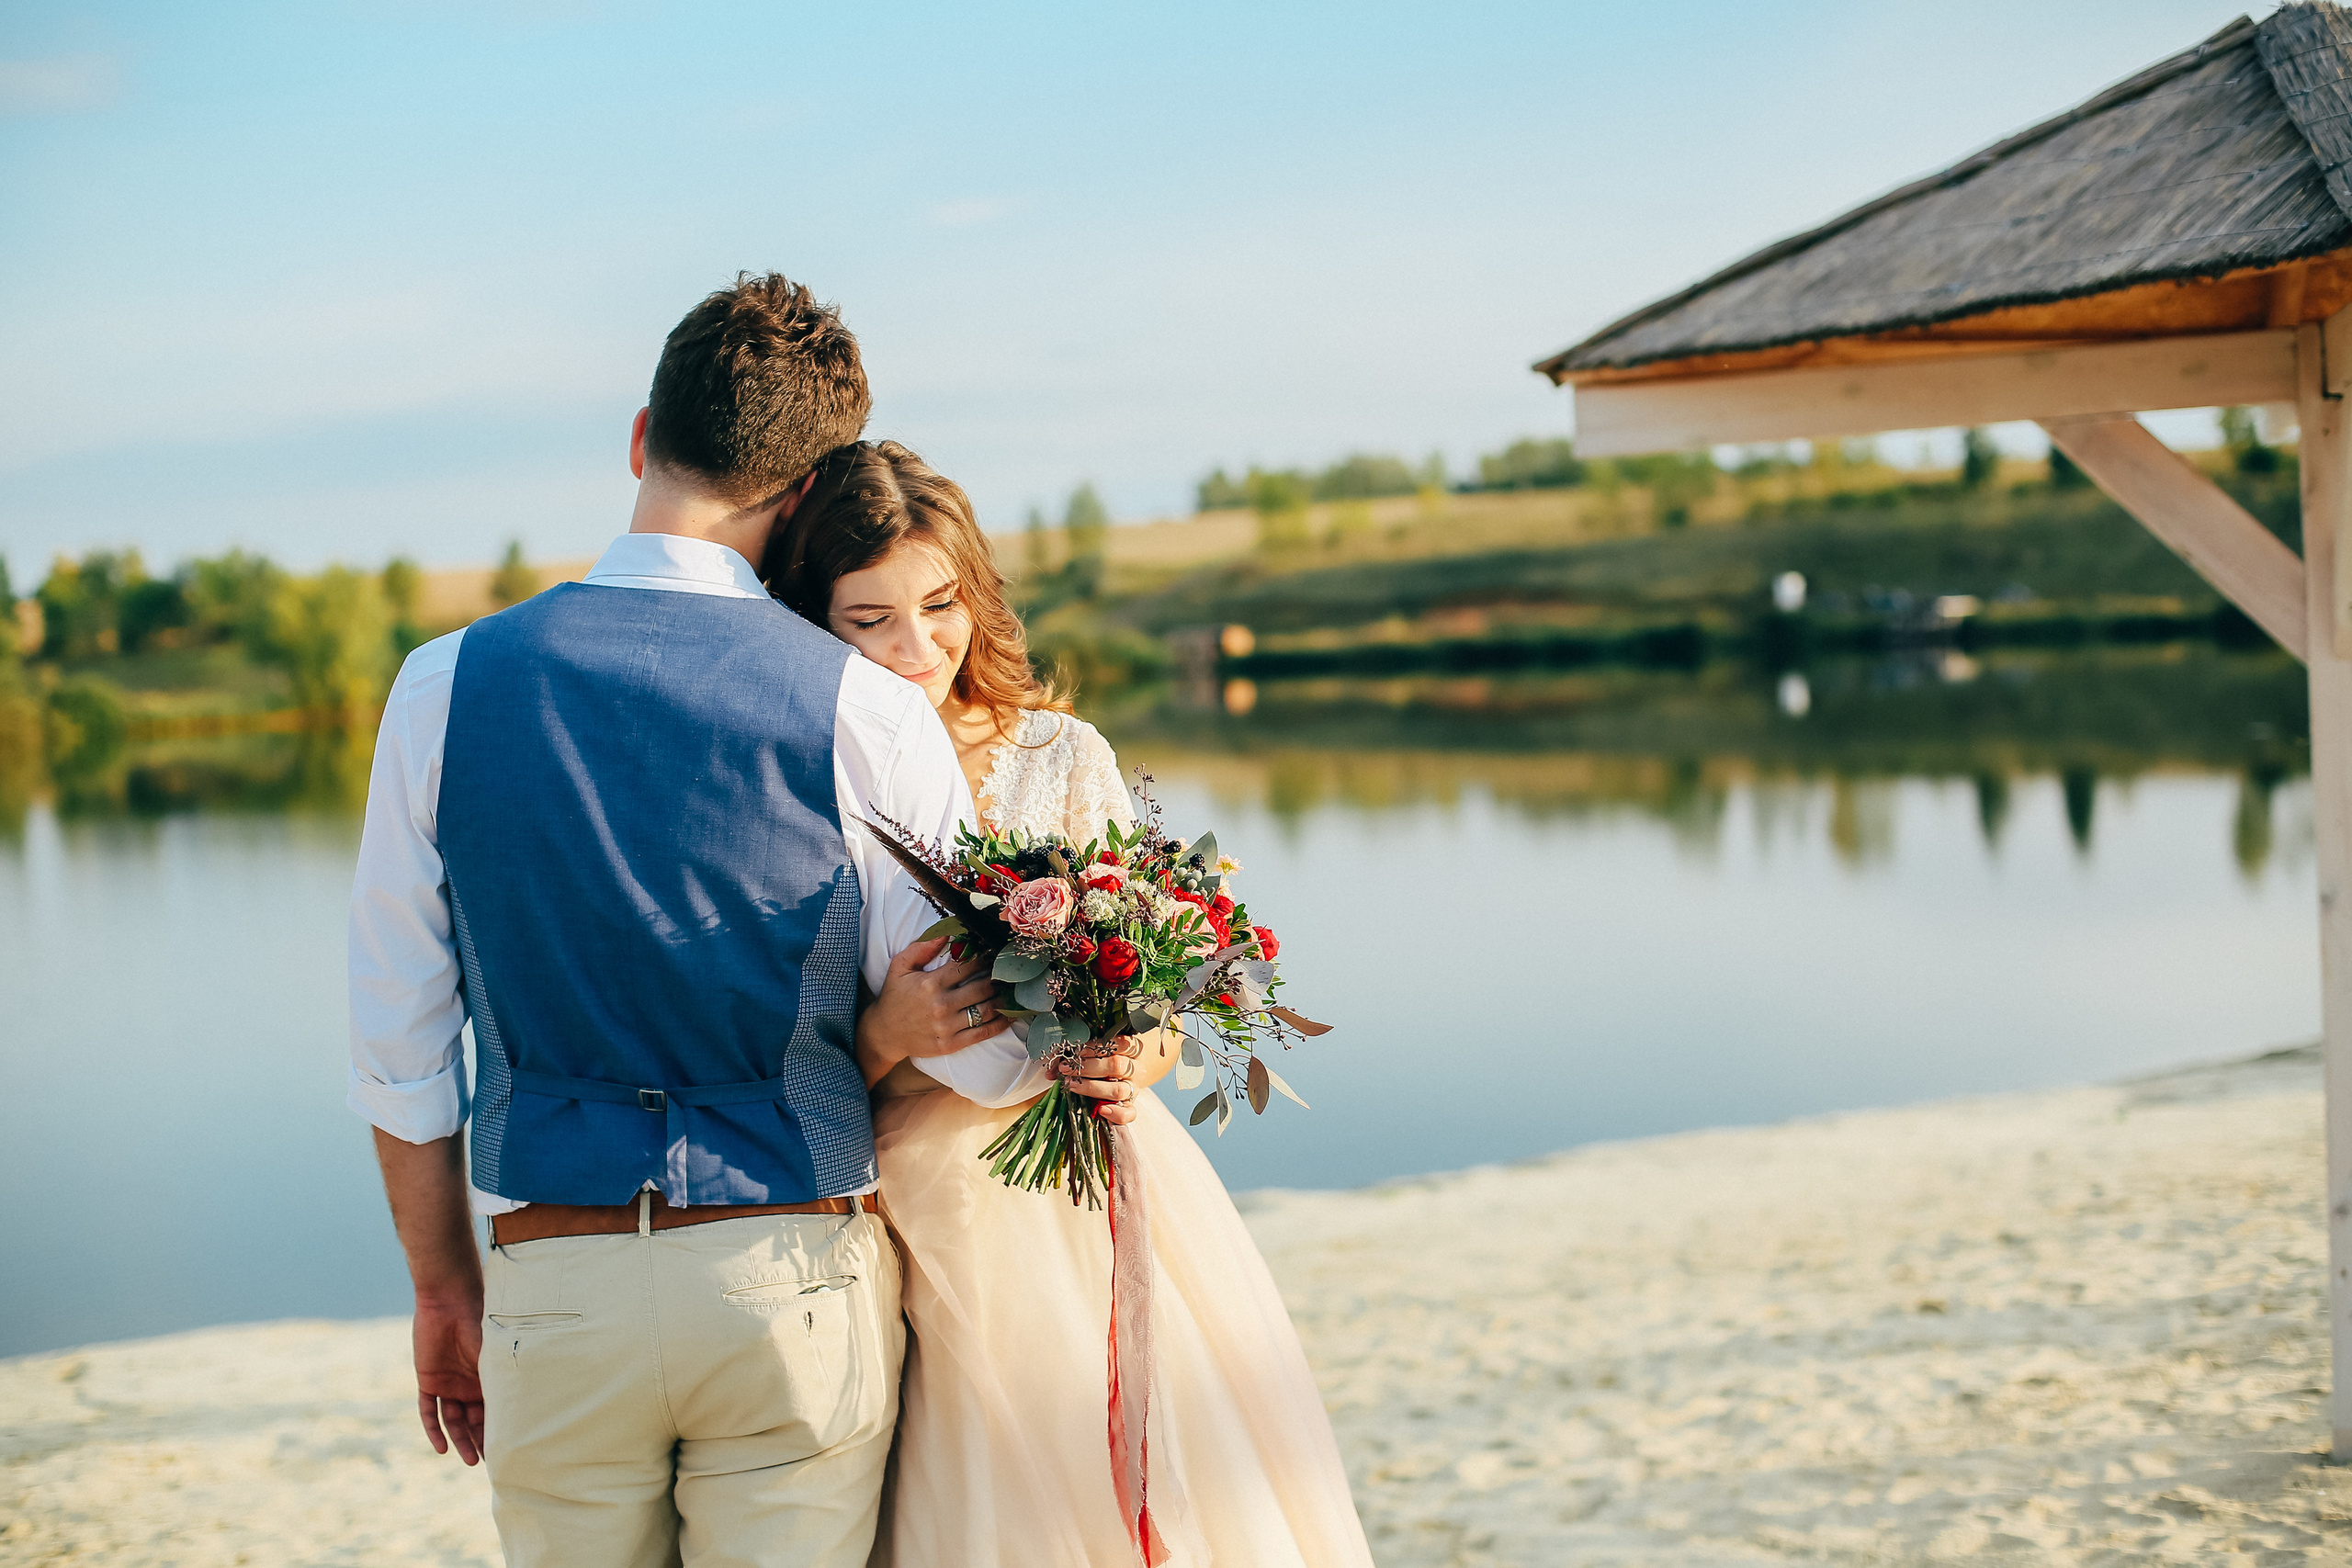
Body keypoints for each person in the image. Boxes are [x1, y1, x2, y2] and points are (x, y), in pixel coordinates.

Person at [345, 276, 1132, 1568]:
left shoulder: (443, 685)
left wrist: (442, 1288)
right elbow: (982, 1050)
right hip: (791, 1274)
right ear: (811, 485)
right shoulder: (865, 709)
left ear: (643, 434)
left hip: (556, 1272)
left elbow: (400, 1040)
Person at [764, 439, 1375, 1568]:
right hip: (915, 1197)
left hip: (1093, 1179)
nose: (917, 648)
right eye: (870, 620)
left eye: (941, 604)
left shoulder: (1059, 750)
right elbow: (761, 1049)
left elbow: (1161, 981)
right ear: (813, 623)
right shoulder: (800, 781)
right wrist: (887, 1035)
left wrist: (1132, 1047)